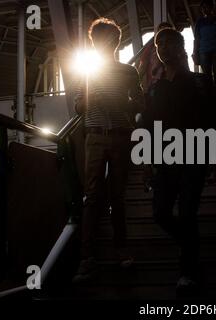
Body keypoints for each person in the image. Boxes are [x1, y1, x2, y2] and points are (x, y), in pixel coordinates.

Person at [142, 28, 216, 295]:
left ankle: (187, 271)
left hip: (195, 155)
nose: (163, 47)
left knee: (187, 213)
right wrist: (146, 162)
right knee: (160, 214)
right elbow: (150, 128)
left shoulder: (201, 82)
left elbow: (213, 120)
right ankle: (190, 247)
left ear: (181, 47)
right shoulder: (155, 89)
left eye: (169, 43)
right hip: (165, 159)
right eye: (158, 44)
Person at [73, 18, 144, 283]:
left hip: (119, 137)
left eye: (105, 40)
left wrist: (120, 103)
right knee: (92, 197)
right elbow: (78, 107)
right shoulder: (87, 74)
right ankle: (88, 257)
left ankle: (115, 251)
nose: (101, 44)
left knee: (116, 197)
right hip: (96, 137)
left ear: (115, 42)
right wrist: (92, 99)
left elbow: (140, 104)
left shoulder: (129, 72)